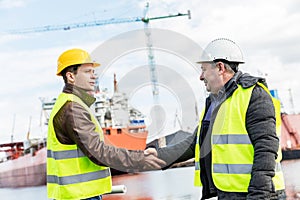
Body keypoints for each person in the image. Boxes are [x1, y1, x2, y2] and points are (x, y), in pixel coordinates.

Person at [145, 38, 286, 199]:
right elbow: (196, 143)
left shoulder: (254, 94)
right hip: (229, 193)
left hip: (258, 193)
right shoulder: (215, 102)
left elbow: (266, 148)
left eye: (204, 69)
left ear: (220, 67)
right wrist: (159, 155)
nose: (200, 76)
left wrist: (259, 194)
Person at [47, 48, 166, 200]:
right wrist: (139, 158)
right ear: (71, 76)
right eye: (87, 71)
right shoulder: (72, 108)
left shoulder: (73, 105)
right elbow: (98, 151)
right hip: (81, 196)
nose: (93, 76)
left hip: (79, 194)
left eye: (93, 71)